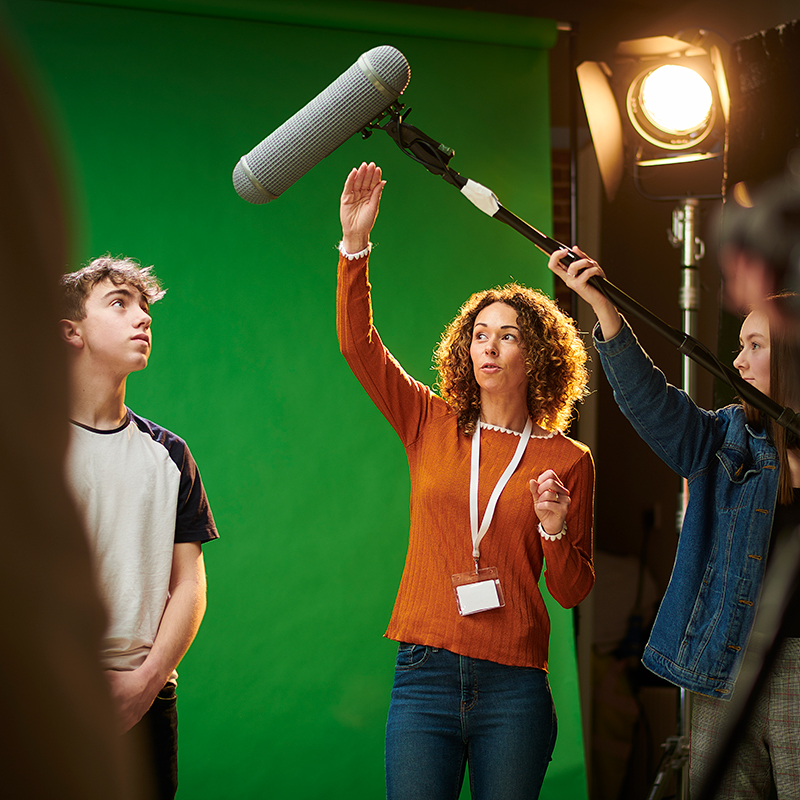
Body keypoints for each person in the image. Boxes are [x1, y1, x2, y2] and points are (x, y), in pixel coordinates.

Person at [337, 162, 595, 800]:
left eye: (507, 337)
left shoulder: (568, 460)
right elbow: (358, 346)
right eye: (479, 335)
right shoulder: (431, 420)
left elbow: (569, 591)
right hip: (424, 673)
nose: (489, 347)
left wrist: (557, 533)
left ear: (536, 357)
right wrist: (354, 246)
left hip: (514, 689)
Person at [548, 246, 800, 799]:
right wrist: (604, 310)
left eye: (755, 346)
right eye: (739, 346)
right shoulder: (727, 437)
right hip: (726, 664)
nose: (737, 362)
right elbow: (653, 403)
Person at [59, 256, 219, 800]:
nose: (143, 319)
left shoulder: (169, 454)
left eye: (145, 307)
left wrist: (144, 686)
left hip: (143, 700)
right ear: (71, 331)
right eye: (119, 303)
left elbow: (190, 586)